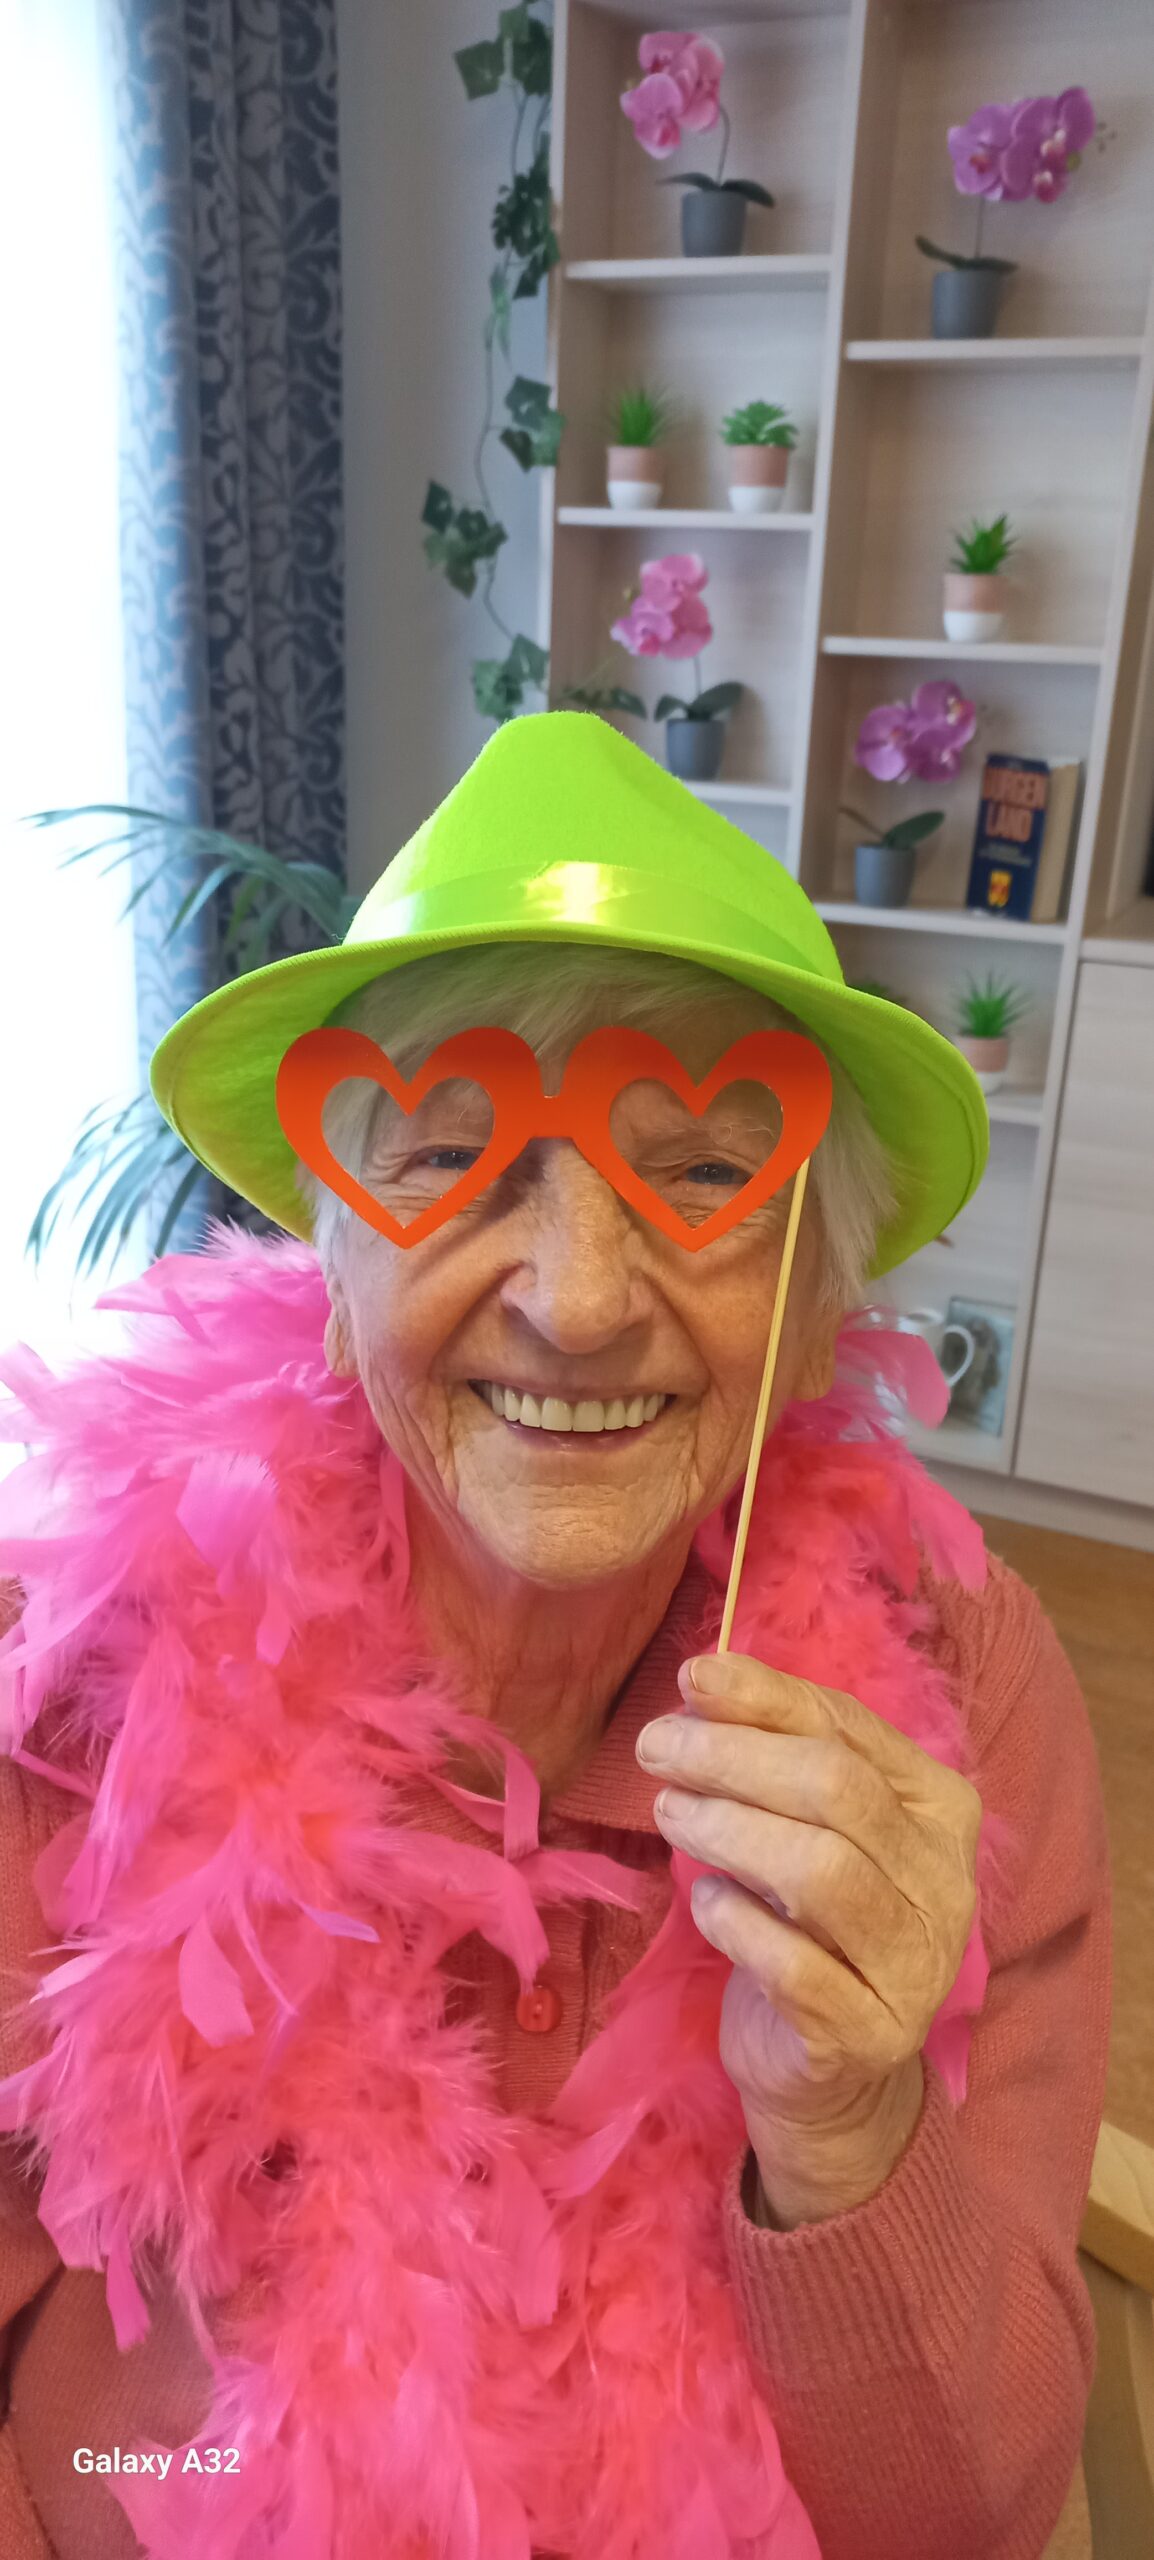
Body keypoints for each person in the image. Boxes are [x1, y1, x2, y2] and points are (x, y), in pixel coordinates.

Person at [0, 713, 1110, 2560]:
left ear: (812, 1291)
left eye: (701, 1176)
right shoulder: (66, 1669)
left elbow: (966, 2516)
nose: (579, 1302)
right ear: (332, 1254)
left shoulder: (964, 1708)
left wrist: (848, 2136)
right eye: (453, 1157)